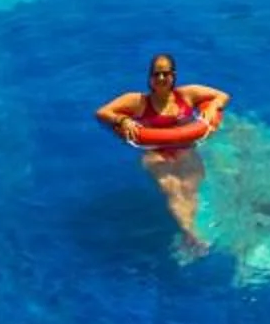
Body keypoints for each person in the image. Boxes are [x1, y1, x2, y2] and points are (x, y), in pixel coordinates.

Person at [97, 54, 229, 247]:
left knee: (189, 188)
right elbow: (102, 112)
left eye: (165, 73)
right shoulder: (138, 101)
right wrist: (123, 120)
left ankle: (192, 230)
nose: (161, 78)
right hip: (156, 152)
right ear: (149, 77)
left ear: (173, 75)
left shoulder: (187, 94)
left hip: (185, 148)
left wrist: (213, 107)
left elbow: (223, 95)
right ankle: (189, 233)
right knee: (172, 189)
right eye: (156, 73)